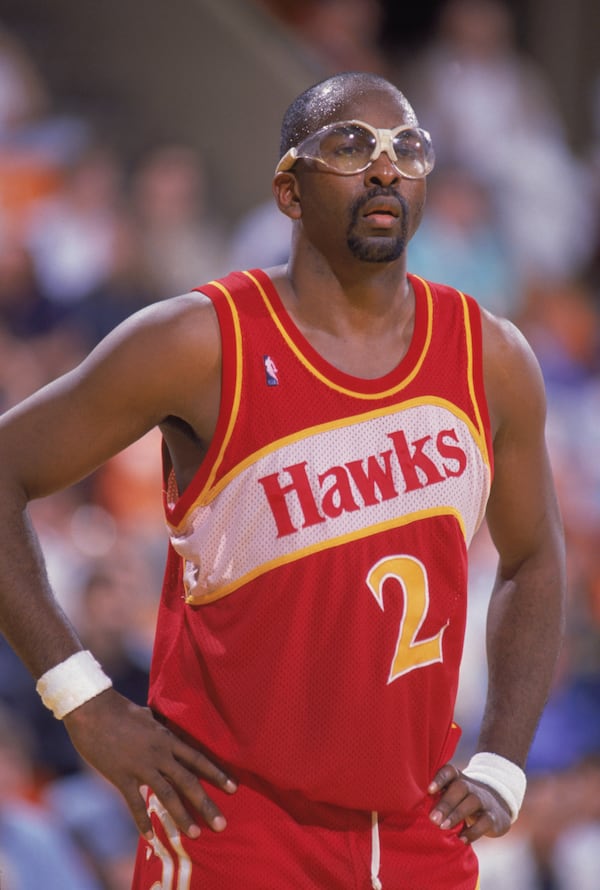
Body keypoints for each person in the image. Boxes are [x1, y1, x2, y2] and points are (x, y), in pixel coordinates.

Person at [0, 72, 566, 889]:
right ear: (288, 192)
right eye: (350, 146)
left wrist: (505, 759)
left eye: (407, 148)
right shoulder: (197, 342)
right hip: (233, 823)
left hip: (416, 831)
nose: (384, 169)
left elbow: (536, 560)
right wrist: (84, 704)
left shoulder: (492, 358)